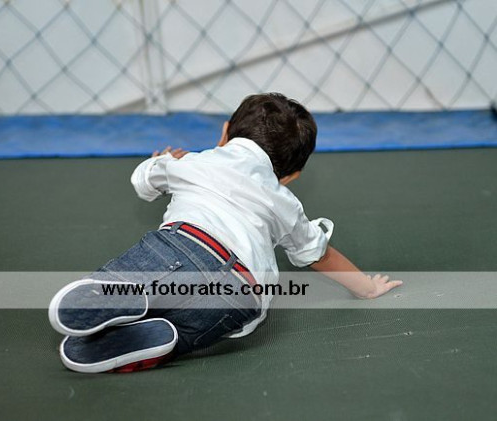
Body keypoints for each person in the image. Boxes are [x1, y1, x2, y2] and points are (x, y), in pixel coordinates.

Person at [48, 93, 403, 373]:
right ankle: (166, 339)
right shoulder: (284, 201)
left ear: (224, 133)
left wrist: (161, 161)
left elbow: (143, 181)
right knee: (192, 327)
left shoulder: (196, 162)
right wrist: (367, 288)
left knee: (146, 266)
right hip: (242, 296)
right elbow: (318, 253)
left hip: (184, 248)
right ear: (291, 176)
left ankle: (123, 289)